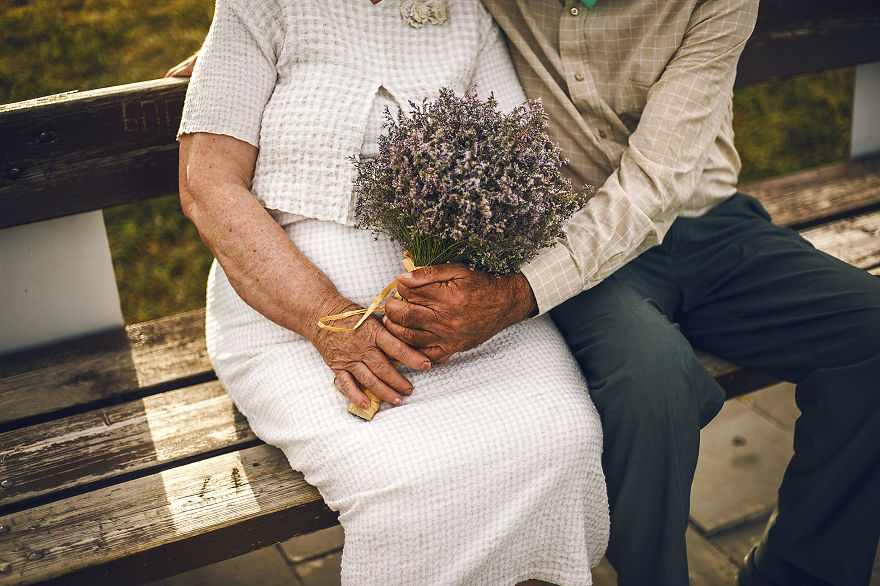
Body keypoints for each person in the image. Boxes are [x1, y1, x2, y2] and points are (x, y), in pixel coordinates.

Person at [375, 2, 880, 586]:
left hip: (708, 221)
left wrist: (515, 293)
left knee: (871, 334)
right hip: (575, 245)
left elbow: (656, 184)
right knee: (650, 380)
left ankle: (797, 573)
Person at [176, 0, 609, 584]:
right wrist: (329, 320)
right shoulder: (260, 7)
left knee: (562, 438)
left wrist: (477, 285)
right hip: (291, 319)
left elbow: (521, 152)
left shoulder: (467, 14)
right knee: (410, 477)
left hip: (459, 310)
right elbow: (208, 185)